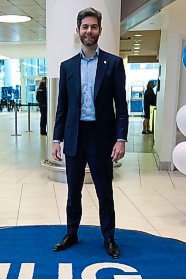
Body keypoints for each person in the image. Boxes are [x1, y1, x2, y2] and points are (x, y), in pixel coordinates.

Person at [51, 7, 128, 259]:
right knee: (73, 190)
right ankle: (71, 233)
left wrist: (120, 138)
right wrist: (56, 138)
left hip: (101, 137)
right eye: (85, 27)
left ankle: (109, 238)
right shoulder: (67, 67)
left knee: (104, 191)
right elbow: (62, 106)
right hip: (75, 137)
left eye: (93, 27)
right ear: (78, 30)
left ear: (100, 31)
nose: (89, 31)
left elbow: (122, 105)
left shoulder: (113, 64)